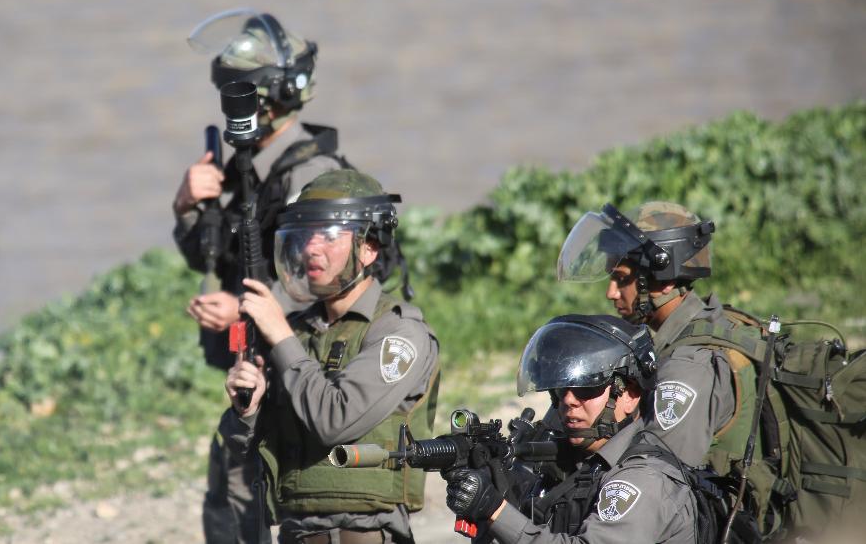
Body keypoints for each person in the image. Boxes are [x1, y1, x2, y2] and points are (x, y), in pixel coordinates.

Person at [173, 10, 353, 544]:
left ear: (269, 100)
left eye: (241, 94)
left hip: (308, 367)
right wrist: (186, 204)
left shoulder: (310, 174)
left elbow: (324, 275)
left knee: (276, 499)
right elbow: (207, 253)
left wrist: (243, 307)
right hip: (260, 367)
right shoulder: (247, 165)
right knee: (228, 490)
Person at [220, 169, 440, 544]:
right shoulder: (295, 332)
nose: (311, 248)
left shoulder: (399, 333)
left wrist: (281, 338)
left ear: (369, 248)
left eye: (328, 235)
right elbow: (250, 450)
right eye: (305, 235)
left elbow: (335, 421)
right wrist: (248, 411)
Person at [556, 202, 777, 529]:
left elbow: (658, 471)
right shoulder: (697, 326)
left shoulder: (687, 367)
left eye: (621, 279)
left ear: (664, 280)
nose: (610, 292)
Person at [443, 314, 700, 543]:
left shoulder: (644, 480)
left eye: (587, 388)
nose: (569, 400)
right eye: (562, 388)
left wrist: (495, 510)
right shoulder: (577, 464)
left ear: (630, 395)